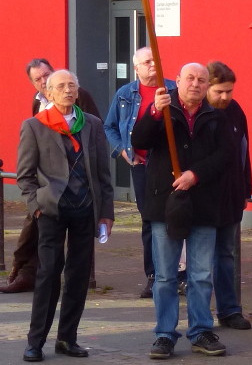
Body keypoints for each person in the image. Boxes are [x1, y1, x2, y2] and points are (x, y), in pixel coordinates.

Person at [16, 69, 115, 361]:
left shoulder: (92, 125)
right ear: (48, 93)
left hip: (86, 209)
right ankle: (35, 342)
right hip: (51, 210)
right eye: (61, 86)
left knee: (79, 275)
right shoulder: (34, 126)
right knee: (48, 274)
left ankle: (67, 338)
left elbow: (102, 174)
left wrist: (105, 213)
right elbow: (24, 175)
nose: (68, 90)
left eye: (72, 85)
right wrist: (35, 206)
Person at [132, 62, 228, 359]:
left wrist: (195, 174)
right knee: (165, 276)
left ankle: (200, 330)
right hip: (165, 202)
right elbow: (139, 141)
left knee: (200, 274)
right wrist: (152, 114)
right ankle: (164, 334)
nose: (195, 84)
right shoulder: (163, 107)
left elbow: (225, 156)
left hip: (203, 203)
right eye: (190, 78)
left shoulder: (214, 115)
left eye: (201, 80)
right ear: (178, 80)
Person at [2, 59, 102, 295]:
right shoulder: (37, 106)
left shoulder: (78, 96)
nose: (44, 80)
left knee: (77, 241)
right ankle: (25, 272)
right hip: (45, 186)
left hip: (77, 182)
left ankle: (82, 278)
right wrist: (35, 200)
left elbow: (93, 132)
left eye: (47, 74)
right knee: (34, 226)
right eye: (38, 79)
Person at [102, 47, 176, 299]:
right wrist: (122, 149)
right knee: (150, 220)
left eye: (156, 60)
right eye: (147, 62)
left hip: (170, 166)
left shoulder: (172, 90)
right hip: (142, 166)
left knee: (177, 216)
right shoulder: (125, 94)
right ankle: (153, 275)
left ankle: (179, 274)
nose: (153, 65)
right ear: (136, 68)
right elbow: (109, 126)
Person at [205, 61, 252, 330]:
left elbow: (244, 152)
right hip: (201, 198)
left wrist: (245, 188)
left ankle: (229, 310)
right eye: (219, 92)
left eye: (229, 92)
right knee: (200, 260)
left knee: (226, 254)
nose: (225, 97)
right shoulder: (197, 111)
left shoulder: (235, 111)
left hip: (230, 195)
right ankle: (200, 316)